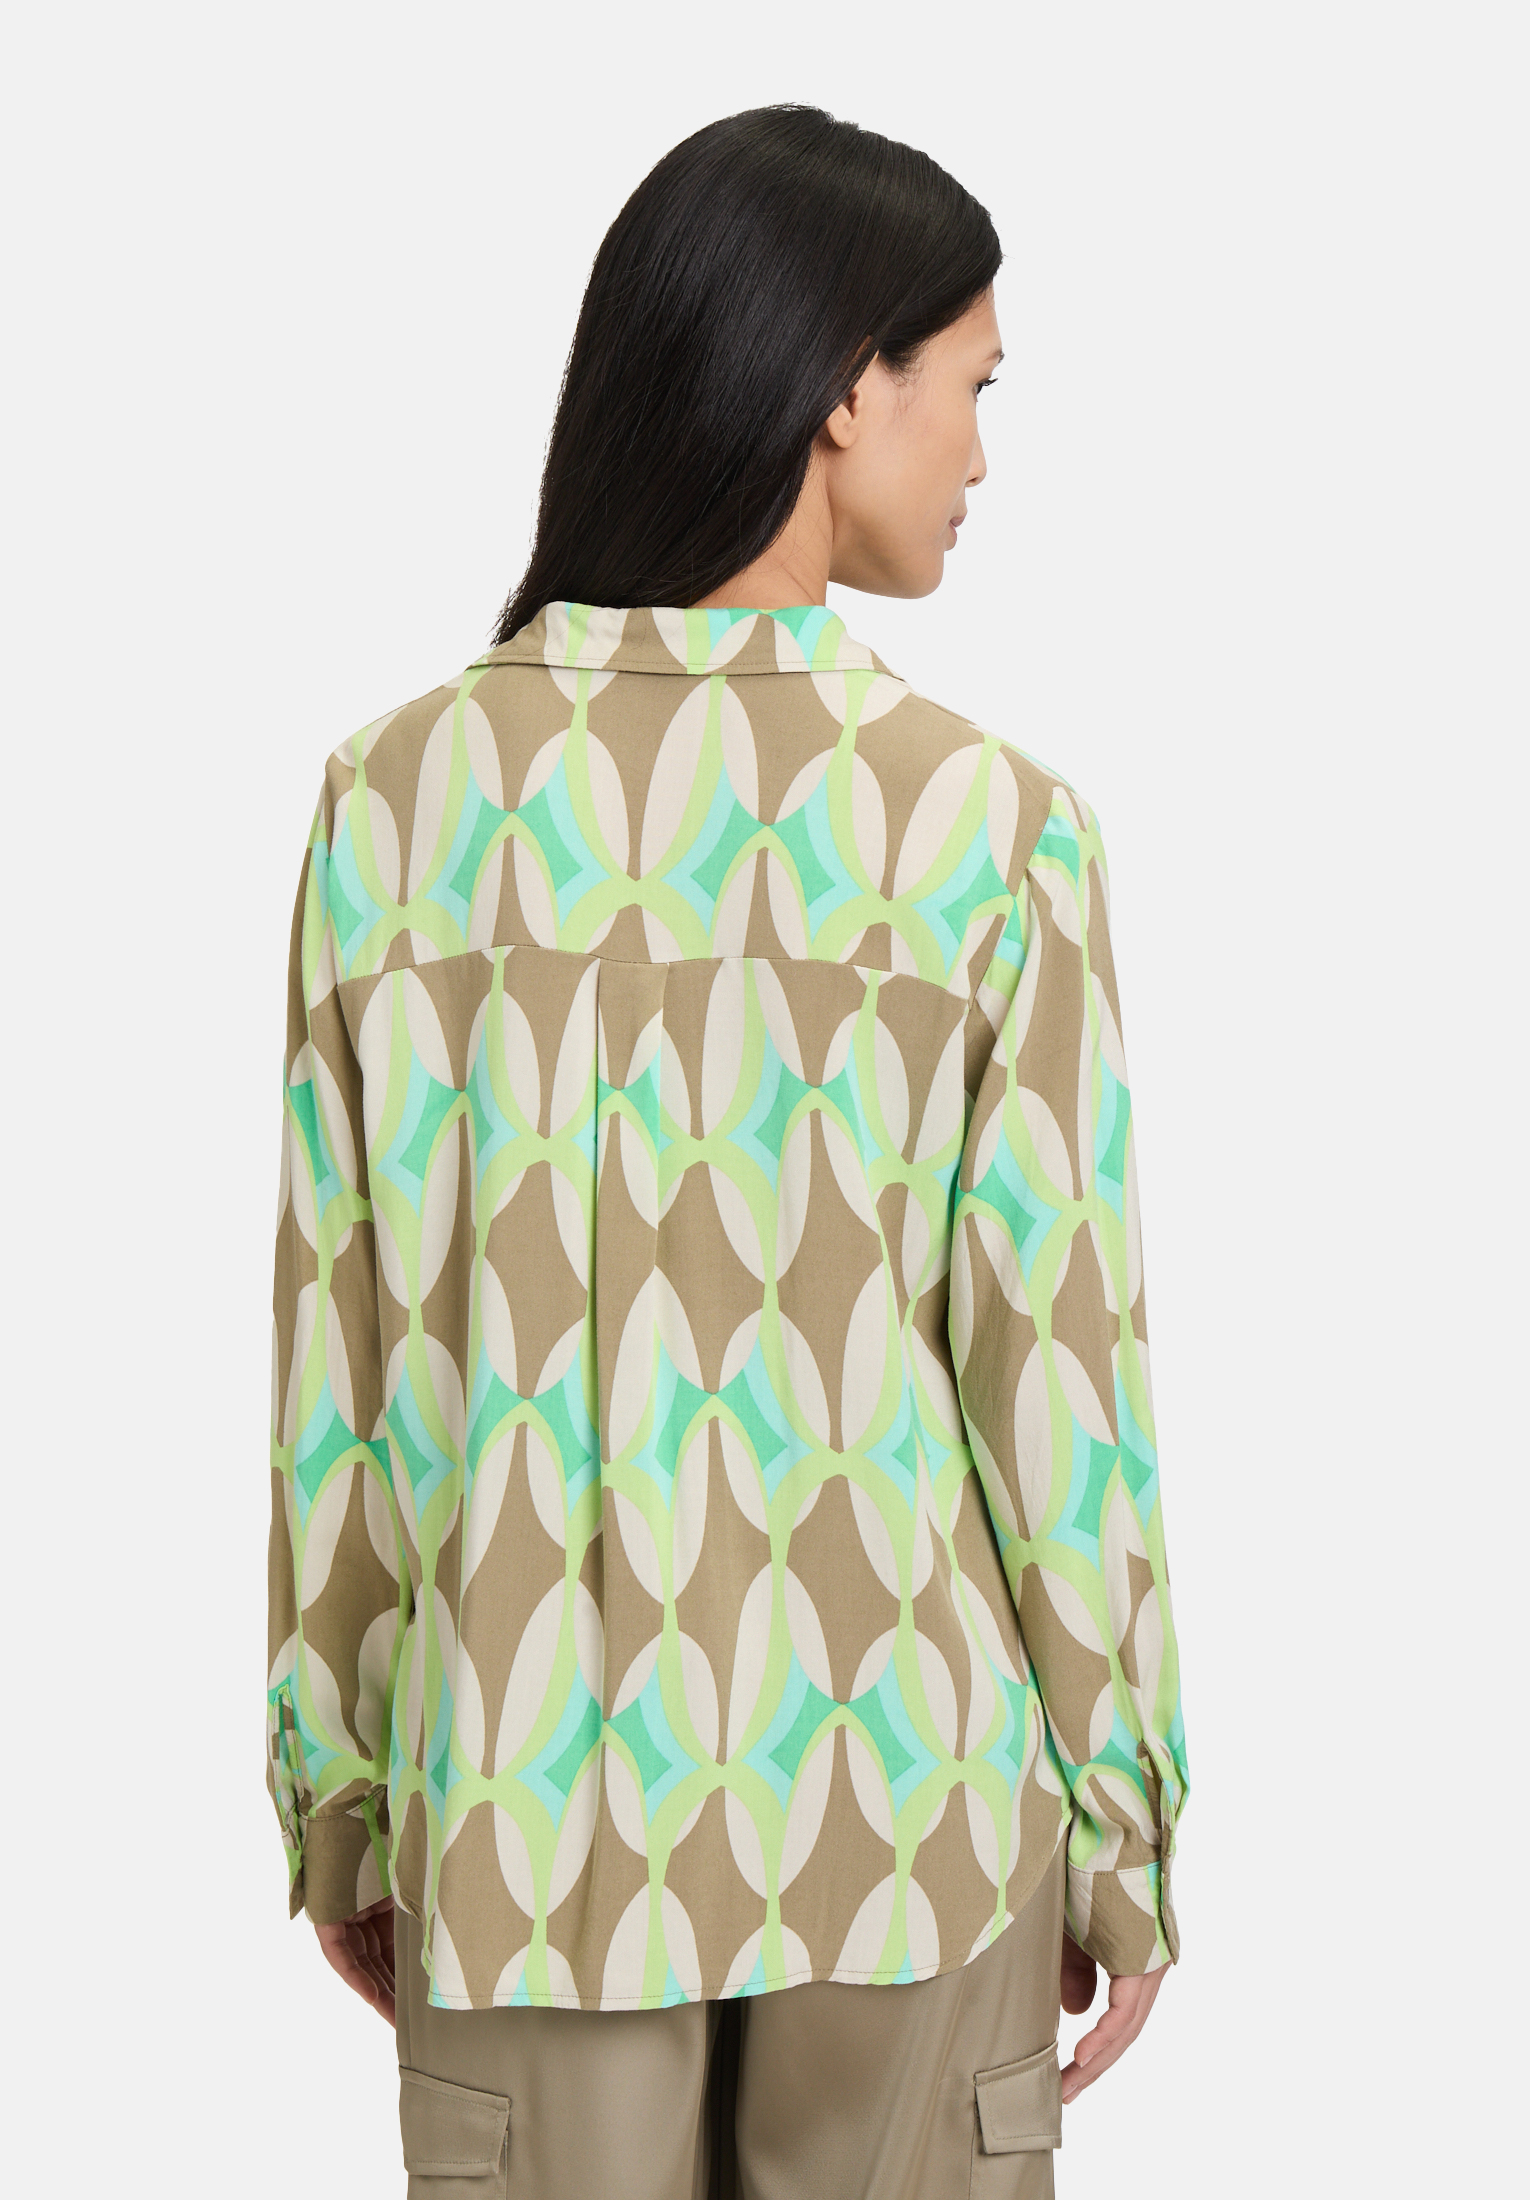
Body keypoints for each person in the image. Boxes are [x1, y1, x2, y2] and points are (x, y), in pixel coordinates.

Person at [265, 102, 1190, 2200]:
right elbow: (1054, 1381)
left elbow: (348, 1355)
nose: (983, 454)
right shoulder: (988, 828)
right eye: (973, 385)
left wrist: (344, 1790)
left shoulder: (395, 804)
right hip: (911, 1803)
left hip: (522, 1807)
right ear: (847, 383)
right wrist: (1119, 1821)